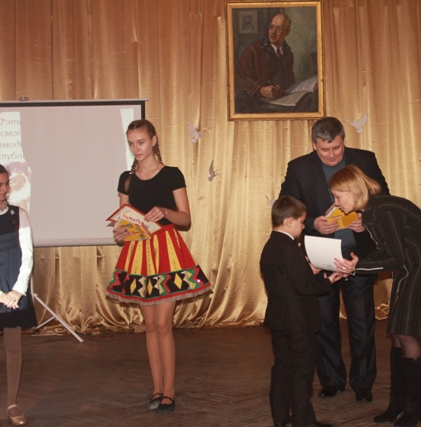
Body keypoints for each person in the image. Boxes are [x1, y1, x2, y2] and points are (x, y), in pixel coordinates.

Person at [279, 117, 390, 403]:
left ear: (343, 140)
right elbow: (286, 209)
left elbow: (385, 199)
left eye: (337, 148)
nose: (331, 155)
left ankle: (363, 383)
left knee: (362, 322)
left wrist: (367, 219)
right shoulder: (299, 168)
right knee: (324, 321)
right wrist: (313, 222)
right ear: (314, 145)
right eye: (324, 149)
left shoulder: (365, 159)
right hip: (320, 256)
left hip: (357, 255)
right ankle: (332, 380)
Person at [107, 119, 212, 415]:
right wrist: (120, 233)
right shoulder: (126, 179)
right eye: (131, 143)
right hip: (138, 251)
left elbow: (185, 218)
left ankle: (169, 390)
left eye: (140, 142)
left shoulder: (171, 174)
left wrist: (165, 212)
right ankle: (156, 388)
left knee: (164, 325)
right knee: (150, 326)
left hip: (167, 251)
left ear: (154, 140)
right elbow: (123, 223)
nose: (136, 148)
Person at [331, 165, 421, 427]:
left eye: (338, 196)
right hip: (411, 266)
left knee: (406, 333)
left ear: (353, 192)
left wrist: (355, 267)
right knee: (397, 331)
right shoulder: (373, 209)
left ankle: (415, 406)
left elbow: (394, 257)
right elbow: (383, 251)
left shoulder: (382, 210)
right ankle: (399, 403)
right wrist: (360, 237)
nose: (336, 203)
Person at [260, 196, 344, 427]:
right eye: (301, 222)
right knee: (302, 371)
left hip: (279, 319)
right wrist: (328, 281)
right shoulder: (291, 249)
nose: (304, 226)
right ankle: (303, 421)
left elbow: (287, 279)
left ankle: (280, 418)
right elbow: (304, 287)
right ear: (289, 221)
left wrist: (308, 270)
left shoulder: (271, 246)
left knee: (282, 368)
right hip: (299, 322)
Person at [0, 161, 37, 426]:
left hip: (14, 287)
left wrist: (17, 291)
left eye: (6, 184)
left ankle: (12, 403)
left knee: (14, 346)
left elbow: (27, 255)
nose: (4, 189)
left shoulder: (18, 214)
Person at [234, 12, 317, 113]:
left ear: (287, 32)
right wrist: (260, 90)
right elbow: (236, 77)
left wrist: (284, 89)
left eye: (278, 28)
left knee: (310, 99)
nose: (272, 32)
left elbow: (289, 82)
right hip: (257, 101)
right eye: (271, 27)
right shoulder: (254, 49)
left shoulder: (288, 53)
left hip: (281, 100)